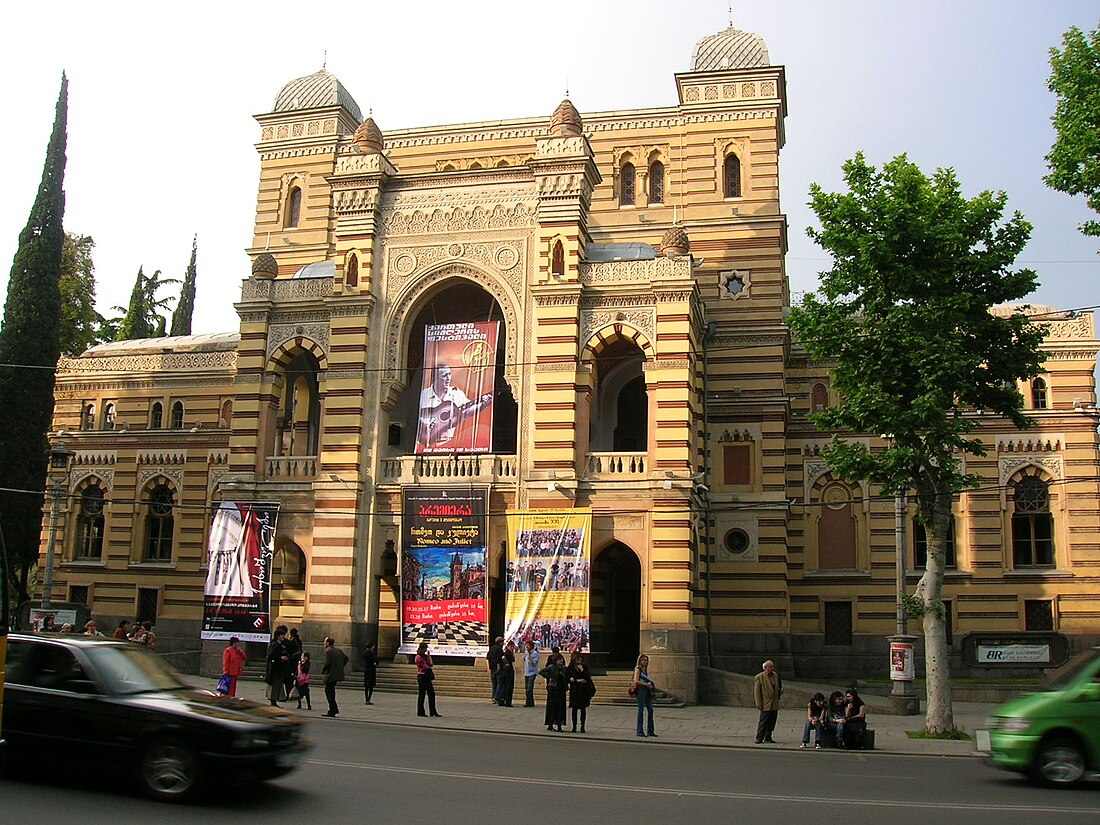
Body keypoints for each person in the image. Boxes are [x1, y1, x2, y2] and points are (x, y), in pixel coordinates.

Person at [417, 363, 492, 449]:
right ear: (435, 378)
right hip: (425, 446)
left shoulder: (456, 393)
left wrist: (483, 404)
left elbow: (467, 411)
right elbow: (414, 418)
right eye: (445, 375)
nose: (448, 378)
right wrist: (426, 424)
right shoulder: (423, 395)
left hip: (448, 444)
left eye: (449, 374)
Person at [753, 659, 783, 744]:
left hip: (774, 703)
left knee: (772, 721)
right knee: (763, 721)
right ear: (766, 668)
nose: (773, 668)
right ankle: (759, 737)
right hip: (766, 703)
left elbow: (778, 686)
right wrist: (759, 704)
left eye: (773, 667)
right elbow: (757, 692)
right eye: (771, 667)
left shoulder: (776, 676)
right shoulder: (759, 677)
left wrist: (779, 692)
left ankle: (768, 736)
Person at [539, 646, 567, 732]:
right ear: (555, 661)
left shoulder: (563, 669)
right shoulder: (551, 667)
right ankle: (550, 724)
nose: (561, 661)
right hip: (553, 690)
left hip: (561, 689)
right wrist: (549, 678)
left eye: (561, 659)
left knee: (561, 707)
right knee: (552, 707)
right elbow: (541, 671)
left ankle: (559, 725)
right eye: (559, 660)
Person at [566, 650, 594, 733]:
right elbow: (568, 678)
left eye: (581, 658)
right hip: (575, 690)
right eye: (578, 659)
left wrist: (582, 671)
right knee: (574, 709)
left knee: (583, 709)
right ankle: (574, 726)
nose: (580, 660)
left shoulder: (584, 667)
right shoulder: (570, 668)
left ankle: (582, 726)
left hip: (583, 690)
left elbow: (587, 678)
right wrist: (576, 680)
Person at [321, 636, 348, 717]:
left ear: (328, 643)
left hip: (330, 674)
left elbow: (327, 663)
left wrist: (324, 670)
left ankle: (332, 710)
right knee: (331, 691)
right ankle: (333, 709)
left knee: (328, 692)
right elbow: (346, 658)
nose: (324, 643)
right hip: (336, 674)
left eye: (325, 642)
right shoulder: (338, 650)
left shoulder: (329, 651)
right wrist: (340, 666)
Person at [632, 653, 657, 738]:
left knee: (650, 709)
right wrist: (646, 684)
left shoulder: (644, 670)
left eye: (646, 660)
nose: (645, 662)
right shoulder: (638, 669)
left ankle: (650, 731)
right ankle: (639, 731)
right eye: (644, 660)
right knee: (641, 710)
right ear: (640, 661)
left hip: (647, 691)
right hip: (641, 690)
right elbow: (636, 681)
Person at [265, 626, 290, 706]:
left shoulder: (281, 645)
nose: (283, 637)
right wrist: (280, 657)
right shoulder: (275, 644)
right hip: (275, 670)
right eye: (282, 635)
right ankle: (273, 702)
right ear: (278, 636)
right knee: (274, 686)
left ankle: (274, 701)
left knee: (277, 686)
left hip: (279, 670)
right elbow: (271, 656)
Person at [415, 641, 442, 717]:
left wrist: (429, 657)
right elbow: (425, 666)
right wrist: (428, 664)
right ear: (421, 648)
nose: (425, 650)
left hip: (427, 677)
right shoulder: (418, 657)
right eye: (424, 649)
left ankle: (433, 711)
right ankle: (420, 712)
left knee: (431, 694)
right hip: (422, 676)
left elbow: (431, 664)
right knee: (422, 694)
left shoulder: (425, 656)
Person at [284, 628, 303, 701]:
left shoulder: (291, 642)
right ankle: (296, 694)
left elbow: (289, 652)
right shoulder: (298, 641)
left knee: (288, 680)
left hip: (291, 663)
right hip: (296, 663)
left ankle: (290, 694)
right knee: (294, 679)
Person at [522, 639, 540, 707]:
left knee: (529, 688)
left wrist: (529, 655)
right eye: (526, 646)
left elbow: (534, 663)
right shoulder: (526, 653)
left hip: (532, 673)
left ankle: (529, 702)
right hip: (526, 672)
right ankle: (530, 702)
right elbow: (524, 659)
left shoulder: (535, 653)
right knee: (527, 688)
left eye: (528, 646)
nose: (527, 647)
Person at [498, 641, 516, 707]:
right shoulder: (507, 652)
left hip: (507, 671)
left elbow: (513, 660)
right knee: (508, 686)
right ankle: (507, 701)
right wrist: (507, 663)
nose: (512, 648)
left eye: (513, 646)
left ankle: (503, 700)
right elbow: (503, 657)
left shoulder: (510, 652)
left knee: (506, 686)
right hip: (508, 671)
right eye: (511, 646)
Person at [486, 635, 504, 704]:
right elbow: (499, 659)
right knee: (499, 683)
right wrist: (499, 667)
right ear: (499, 642)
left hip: (492, 668)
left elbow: (488, 658)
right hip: (497, 668)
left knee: (494, 684)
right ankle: (497, 697)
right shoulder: (499, 649)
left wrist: (489, 667)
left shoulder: (492, 648)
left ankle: (493, 697)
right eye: (502, 642)